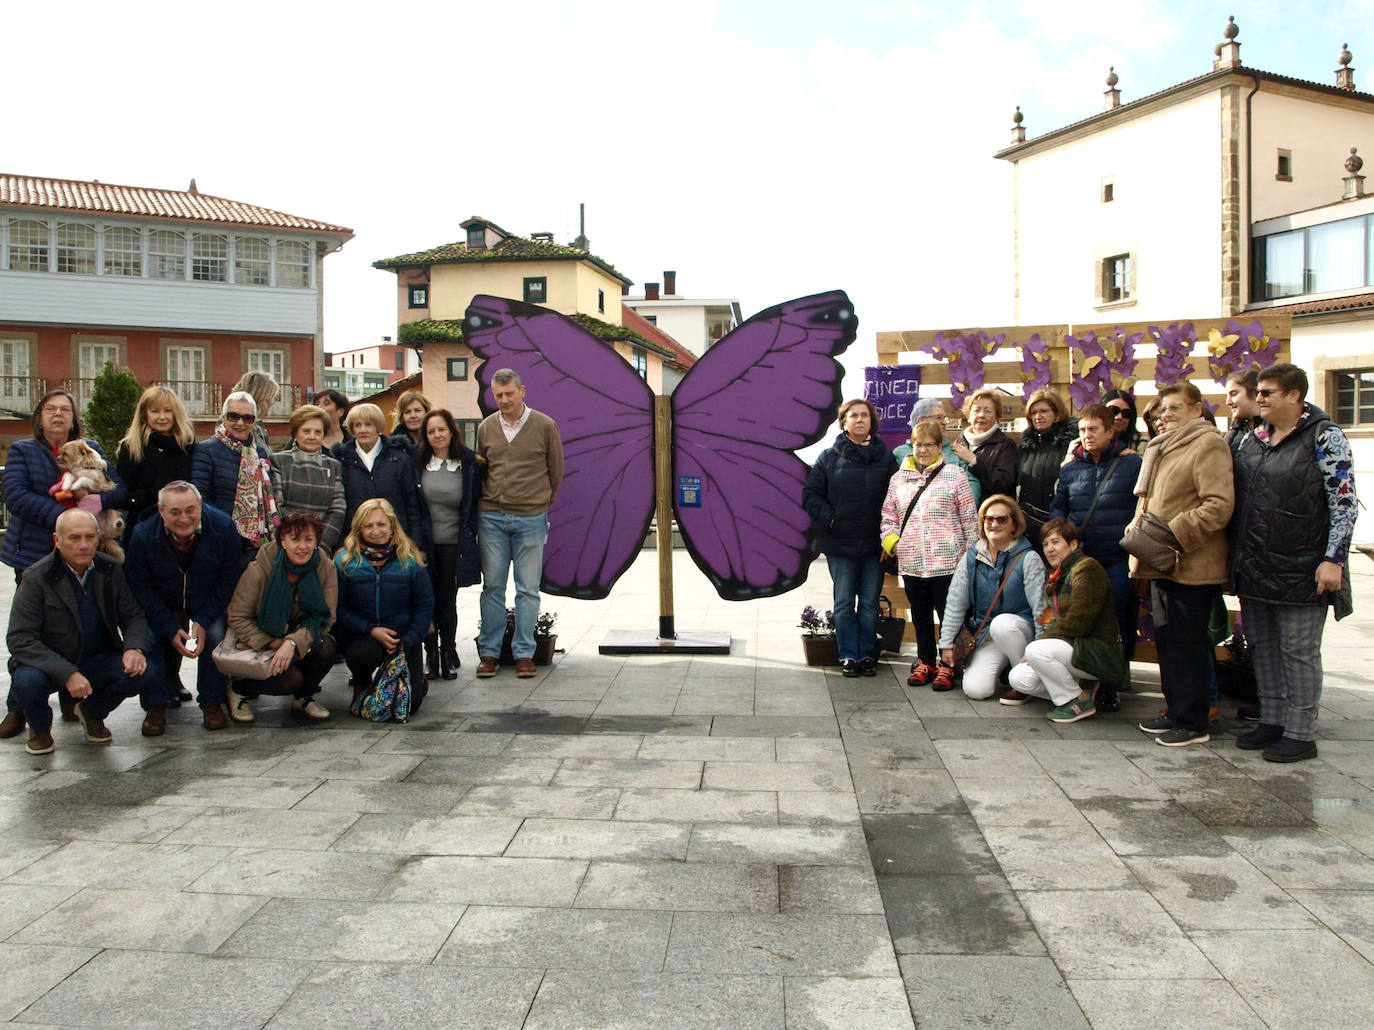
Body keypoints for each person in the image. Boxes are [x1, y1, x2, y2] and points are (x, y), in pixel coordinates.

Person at [1230, 363, 1356, 763]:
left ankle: (1301, 733)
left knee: (1298, 650)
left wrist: (1332, 559)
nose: (1259, 397)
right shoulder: (1252, 440)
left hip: (1303, 566)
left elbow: (1344, 504)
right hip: (1256, 563)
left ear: (1294, 396)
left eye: (1267, 392)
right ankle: (1272, 719)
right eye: (1259, 392)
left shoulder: (1325, 437)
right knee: (1263, 647)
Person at [3, 509, 155, 754]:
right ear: (57, 540)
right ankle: (40, 728)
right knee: (26, 681)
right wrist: (67, 673)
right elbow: (20, 639)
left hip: (95, 656)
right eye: (74, 538)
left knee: (145, 672)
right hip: (48, 663)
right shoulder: (35, 578)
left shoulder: (110, 569)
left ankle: (91, 712)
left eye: (90, 537)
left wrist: (134, 648)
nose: (83, 545)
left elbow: (133, 614)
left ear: (99, 537)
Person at [1133, 381, 1234, 748]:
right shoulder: (1164, 447)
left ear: (1197, 409)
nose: (1166, 415)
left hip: (1191, 563)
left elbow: (1218, 504)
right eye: (1162, 410)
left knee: (1188, 644)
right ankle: (1176, 711)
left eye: (1176, 407)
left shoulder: (1208, 444)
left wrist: (1172, 533)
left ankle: (1193, 722)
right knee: (1170, 641)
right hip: (1161, 561)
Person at [124, 482, 242, 733]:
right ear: (161, 510)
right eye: (175, 512)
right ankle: (155, 704)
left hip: (207, 600)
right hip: (162, 602)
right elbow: (140, 588)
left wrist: (204, 618)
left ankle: (211, 701)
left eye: (191, 509)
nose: (184, 518)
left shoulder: (222, 527)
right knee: (151, 639)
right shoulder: (143, 535)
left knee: (215, 636)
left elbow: (228, 579)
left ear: (201, 505)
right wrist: (168, 626)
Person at [1048, 401, 1142, 711]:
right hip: (1082, 561)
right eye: (1083, 430)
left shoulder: (1131, 466)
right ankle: (1086, 679)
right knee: (1079, 618)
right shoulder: (1071, 468)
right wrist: (1062, 537)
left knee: (1117, 621)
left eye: (1094, 430)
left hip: (1117, 558)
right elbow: (1059, 507)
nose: (1087, 435)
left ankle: (1113, 682)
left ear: (1111, 429)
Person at [475, 369, 563, 679]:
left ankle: (525, 653)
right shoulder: (486, 428)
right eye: (498, 395)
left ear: (522, 391)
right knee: (493, 588)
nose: (504, 400)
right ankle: (490, 653)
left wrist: (539, 503)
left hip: (531, 517)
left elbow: (556, 471)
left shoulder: (544, 425)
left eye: (509, 393)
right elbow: (482, 469)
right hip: (492, 517)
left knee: (528, 589)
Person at [803, 398, 898, 677]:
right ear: (843, 421)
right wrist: (831, 518)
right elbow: (811, 494)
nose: (859, 420)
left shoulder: (886, 458)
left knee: (869, 602)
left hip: (875, 545)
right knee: (843, 602)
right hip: (840, 543)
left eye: (864, 416)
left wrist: (889, 538)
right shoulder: (829, 457)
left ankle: (867, 655)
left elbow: (897, 499)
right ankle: (848, 656)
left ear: (872, 422)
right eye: (853, 415)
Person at [879, 419, 976, 688]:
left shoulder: (955, 474)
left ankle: (949, 665)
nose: (923, 450)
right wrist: (894, 544)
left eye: (929, 444)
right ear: (912, 445)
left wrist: (968, 556)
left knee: (949, 615)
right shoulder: (899, 478)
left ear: (938, 446)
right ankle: (925, 661)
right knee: (920, 615)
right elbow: (888, 517)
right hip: (912, 563)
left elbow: (970, 520)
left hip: (948, 563)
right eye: (919, 444)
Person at [1007, 518, 1127, 722]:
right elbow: (1050, 619)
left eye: (1056, 542)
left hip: (1096, 652)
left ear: (1073, 544)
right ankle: (1081, 692)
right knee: (1018, 678)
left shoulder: (1086, 568)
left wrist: (1039, 644)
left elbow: (1079, 621)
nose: (1049, 549)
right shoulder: (1057, 574)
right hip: (1072, 649)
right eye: (1045, 544)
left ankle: (1076, 701)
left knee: (1036, 650)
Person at [223, 512, 338, 724]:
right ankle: (239, 690)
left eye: (308, 539)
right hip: (261, 638)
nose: (302, 546)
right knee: (290, 680)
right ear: (283, 540)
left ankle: (303, 697)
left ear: (317, 542)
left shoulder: (326, 567)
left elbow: (326, 617)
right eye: (295, 539)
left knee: (328, 647)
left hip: (298, 638)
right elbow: (238, 617)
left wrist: (293, 642)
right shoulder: (260, 568)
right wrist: (273, 641)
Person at [2, 389, 128, 579]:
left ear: (73, 421)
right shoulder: (22, 450)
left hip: (89, 551)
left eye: (65, 410)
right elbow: (16, 497)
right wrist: (69, 519)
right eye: (50, 409)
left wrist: (99, 501)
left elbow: (120, 491)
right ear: (39, 419)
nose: (58, 414)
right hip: (35, 551)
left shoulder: (90, 449)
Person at [939, 495, 1046, 699]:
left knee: (1002, 624)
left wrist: (1038, 650)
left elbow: (1041, 607)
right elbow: (955, 603)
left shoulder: (1028, 558)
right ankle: (1009, 674)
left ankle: (1024, 680)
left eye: (1002, 519)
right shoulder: (972, 557)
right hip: (986, 634)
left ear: (1015, 525)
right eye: (988, 519)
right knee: (976, 690)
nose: (994, 524)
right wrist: (946, 643)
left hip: (1020, 631)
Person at [334, 499, 435, 712]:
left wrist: (407, 640)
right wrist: (370, 630)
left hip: (404, 636)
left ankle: (417, 682)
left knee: (410, 705)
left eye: (381, 524)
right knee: (361, 654)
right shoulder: (344, 561)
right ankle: (362, 682)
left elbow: (424, 606)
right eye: (368, 525)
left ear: (392, 527)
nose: (375, 531)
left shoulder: (410, 560)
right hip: (364, 635)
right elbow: (338, 608)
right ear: (359, 529)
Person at [415, 408, 481, 680]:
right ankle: (430, 653)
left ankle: (448, 651)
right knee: (426, 599)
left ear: (452, 431)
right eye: (431, 431)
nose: (437, 435)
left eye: (441, 429)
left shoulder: (468, 464)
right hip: (425, 543)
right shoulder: (417, 464)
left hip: (454, 544)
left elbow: (476, 504)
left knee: (447, 600)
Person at [191, 391, 277, 570]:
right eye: (233, 416)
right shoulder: (206, 450)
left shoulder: (259, 453)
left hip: (255, 545)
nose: (240, 423)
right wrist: (227, 529)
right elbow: (201, 498)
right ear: (223, 418)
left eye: (247, 418)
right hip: (219, 539)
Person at [115, 385, 197, 543]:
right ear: (145, 414)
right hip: (142, 527)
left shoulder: (187, 445)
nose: (162, 417)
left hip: (182, 527)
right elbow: (123, 490)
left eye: (167, 410)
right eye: (155, 411)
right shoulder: (132, 447)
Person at [333, 402, 422, 544]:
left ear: (378, 427)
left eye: (368, 424)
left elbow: (412, 505)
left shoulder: (400, 459)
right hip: (354, 541)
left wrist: (414, 542)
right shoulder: (341, 461)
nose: (363, 430)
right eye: (357, 425)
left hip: (396, 540)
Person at [271, 404, 347, 552]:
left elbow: (338, 509)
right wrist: (294, 541)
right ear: (296, 433)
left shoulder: (333, 466)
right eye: (306, 431)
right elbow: (276, 506)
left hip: (320, 548)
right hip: (285, 546)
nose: (312, 436)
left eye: (317, 432)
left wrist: (319, 545)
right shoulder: (278, 461)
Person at [1016, 388, 1078, 544]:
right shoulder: (1027, 446)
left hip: (1059, 524)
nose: (1038, 416)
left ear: (1057, 413)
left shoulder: (1072, 444)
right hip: (1028, 524)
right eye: (1033, 412)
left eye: (1043, 411)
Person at [893, 397, 981, 504]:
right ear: (922, 421)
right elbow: (893, 492)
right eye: (939, 418)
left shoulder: (956, 451)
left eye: (944, 418)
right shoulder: (900, 454)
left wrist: (960, 507)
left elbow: (972, 484)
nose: (944, 423)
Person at [950, 387, 1017, 501]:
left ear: (996, 417)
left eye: (987, 411)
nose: (981, 415)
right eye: (977, 410)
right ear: (969, 416)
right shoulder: (959, 442)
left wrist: (974, 462)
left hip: (990, 514)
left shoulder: (1006, 446)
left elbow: (1003, 484)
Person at [232, 370, 279, 452]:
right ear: (261, 398)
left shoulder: (258, 427)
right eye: (271, 397)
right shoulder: (235, 427)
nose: (273, 402)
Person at [1225, 368, 1261, 453]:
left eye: (1234, 394)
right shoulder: (1232, 436)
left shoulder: (1278, 432)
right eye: (1226, 396)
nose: (1228, 402)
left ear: (1254, 392)